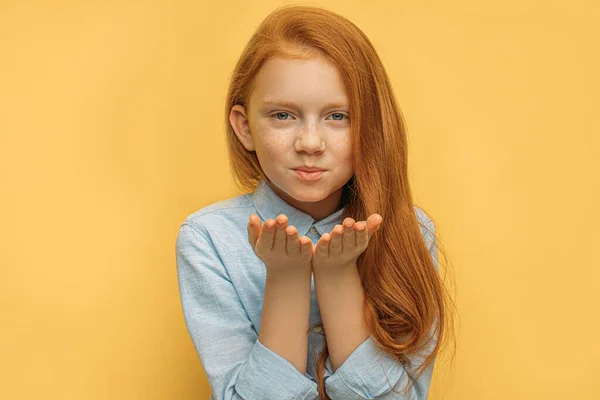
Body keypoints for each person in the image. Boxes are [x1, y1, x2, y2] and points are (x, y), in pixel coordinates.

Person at [176, 5, 454, 399]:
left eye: (337, 116)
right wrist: (286, 278)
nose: (310, 143)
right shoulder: (208, 239)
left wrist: (338, 275)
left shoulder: (409, 231)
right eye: (283, 116)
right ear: (244, 127)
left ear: (370, 125)